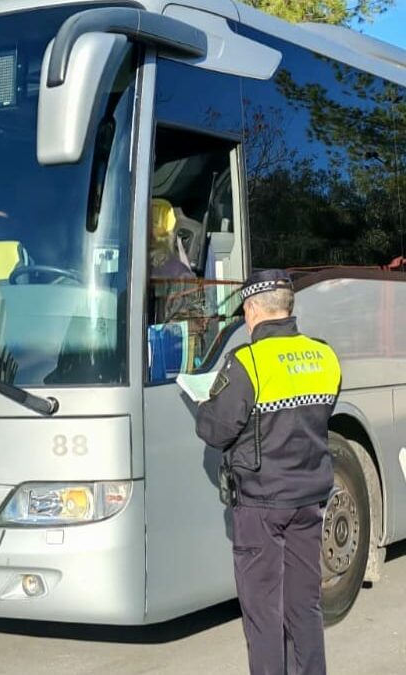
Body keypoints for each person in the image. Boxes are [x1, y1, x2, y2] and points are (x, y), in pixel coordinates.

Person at [195, 269, 342, 674]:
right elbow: (319, 414)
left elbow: (214, 430)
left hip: (261, 505)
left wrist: (207, 401)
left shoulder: (247, 362)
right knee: (305, 605)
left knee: (263, 613)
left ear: (253, 310)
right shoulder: (325, 355)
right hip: (309, 498)